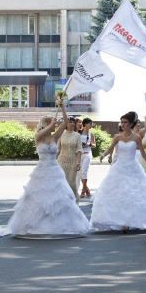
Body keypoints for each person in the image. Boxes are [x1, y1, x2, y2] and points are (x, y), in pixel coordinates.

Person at [8, 99, 89, 236]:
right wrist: (51, 124)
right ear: (44, 125)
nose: (54, 125)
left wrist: (62, 107)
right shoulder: (38, 137)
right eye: (50, 123)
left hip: (55, 169)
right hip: (41, 171)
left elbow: (65, 122)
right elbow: (44, 131)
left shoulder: (54, 137)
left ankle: (59, 224)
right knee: (38, 197)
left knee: (60, 197)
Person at [91, 112, 146, 231]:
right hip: (119, 168)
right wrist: (103, 155)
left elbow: (143, 153)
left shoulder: (137, 138)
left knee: (132, 194)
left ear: (131, 124)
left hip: (133, 168)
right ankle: (121, 221)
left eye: (125, 122)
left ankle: (128, 222)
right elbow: (110, 149)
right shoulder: (117, 137)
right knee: (118, 194)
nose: (123, 124)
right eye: (122, 122)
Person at [56, 116, 82, 201]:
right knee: (62, 181)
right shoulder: (61, 134)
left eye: (73, 122)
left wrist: (78, 162)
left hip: (73, 162)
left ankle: (74, 200)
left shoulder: (77, 135)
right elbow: (58, 149)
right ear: (65, 124)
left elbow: (79, 150)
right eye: (70, 122)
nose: (72, 123)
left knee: (71, 183)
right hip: (61, 161)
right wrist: (53, 161)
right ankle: (62, 200)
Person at [79, 118, 96, 198]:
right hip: (79, 155)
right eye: (90, 123)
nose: (91, 125)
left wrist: (88, 144)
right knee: (80, 173)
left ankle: (83, 190)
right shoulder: (79, 133)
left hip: (87, 154)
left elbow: (94, 145)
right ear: (85, 124)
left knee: (84, 172)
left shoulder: (91, 134)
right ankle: (87, 189)